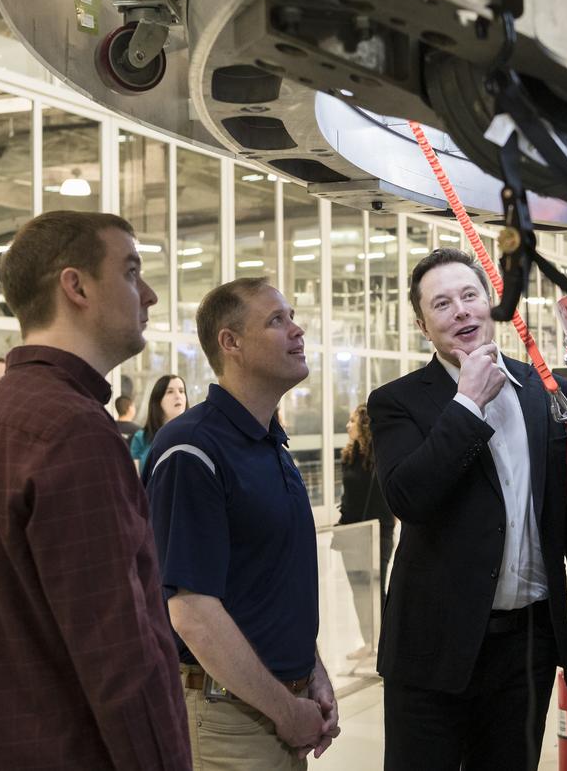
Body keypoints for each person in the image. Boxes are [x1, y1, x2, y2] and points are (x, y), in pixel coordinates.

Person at [0, 211, 191, 770]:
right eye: (129, 271)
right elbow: (123, 656)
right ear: (75, 286)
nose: (147, 294)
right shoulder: (73, 431)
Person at [367, 248, 567, 771]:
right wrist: (467, 404)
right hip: (431, 653)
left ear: (490, 304)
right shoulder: (397, 402)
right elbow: (409, 498)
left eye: (469, 296)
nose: (461, 311)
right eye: (441, 304)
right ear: (423, 325)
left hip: (525, 650)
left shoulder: (545, 390)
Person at [144, 277, 338, 769]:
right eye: (277, 320)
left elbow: (267, 582)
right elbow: (192, 611)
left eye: (292, 316)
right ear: (229, 342)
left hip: (276, 706)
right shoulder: (192, 448)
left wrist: (310, 671)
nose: (297, 330)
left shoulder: (271, 443)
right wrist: (283, 709)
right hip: (230, 718)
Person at [336, 404, 395, 659]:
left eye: (352, 421)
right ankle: (369, 642)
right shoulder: (348, 455)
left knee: (375, 587)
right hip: (350, 532)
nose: (348, 426)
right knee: (359, 590)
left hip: (377, 532)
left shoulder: (381, 456)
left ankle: (386, 645)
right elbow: (349, 495)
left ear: (364, 425)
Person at [130, 374, 187, 470]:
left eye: (181, 391)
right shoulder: (141, 438)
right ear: (158, 400)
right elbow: (133, 478)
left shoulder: (195, 435)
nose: (178, 396)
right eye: (170, 392)